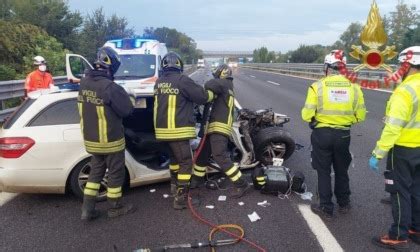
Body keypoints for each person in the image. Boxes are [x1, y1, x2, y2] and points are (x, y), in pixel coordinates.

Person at [301, 50, 366, 218]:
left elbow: (306, 115)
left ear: (327, 68)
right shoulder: (355, 88)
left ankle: (326, 207)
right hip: (343, 135)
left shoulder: (317, 86)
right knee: (341, 170)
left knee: (323, 171)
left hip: (322, 134)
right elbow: (361, 115)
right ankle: (344, 204)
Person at [369, 46, 420, 250]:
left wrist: (378, 153)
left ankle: (398, 234)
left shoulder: (405, 91)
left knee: (399, 191)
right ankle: (416, 228)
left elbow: (393, 127)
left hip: (403, 149)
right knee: (417, 190)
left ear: (408, 65)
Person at [78, 47, 135, 221]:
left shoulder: (84, 83)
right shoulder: (110, 87)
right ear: (112, 67)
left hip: (92, 140)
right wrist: (130, 98)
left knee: (95, 173)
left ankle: (87, 210)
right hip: (110, 140)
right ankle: (115, 207)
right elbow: (126, 111)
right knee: (116, 173)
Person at [153, 52, 214, 210]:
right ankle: (181, 199)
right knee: (186, 163)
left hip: (162, 131)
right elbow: (201, 97)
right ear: (179, 66)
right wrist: (212, 93)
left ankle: (174, 187)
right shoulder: (182, 80)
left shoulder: (159, 82)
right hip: (177, 131)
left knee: (174, 161)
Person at [190, 64, 250, 198]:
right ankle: (197, 180)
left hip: (219, 126)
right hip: (213, 127)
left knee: (219, 155)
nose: (214, 77)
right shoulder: (227, 86)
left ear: (221, 74)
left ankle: (241, 183)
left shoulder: (224, 84)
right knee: (202, 155)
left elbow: (210, 84)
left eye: (216, 74)